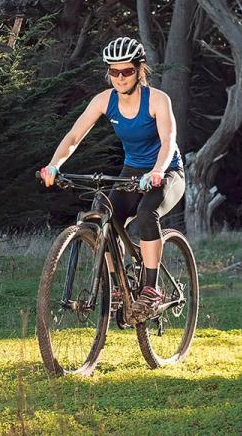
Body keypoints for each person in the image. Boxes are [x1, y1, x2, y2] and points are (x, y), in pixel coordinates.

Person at [40, 36, 185, 322]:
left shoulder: (157, 100)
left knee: (147, 214)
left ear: (139, 70)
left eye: (127, 71)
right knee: (101, 213)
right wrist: (54, 165)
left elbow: (168, 141)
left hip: (166, 171)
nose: (120, 77)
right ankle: (118, 283)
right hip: (131, 172)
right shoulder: (104, 101)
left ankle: (151, 289)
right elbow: (74, 136)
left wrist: (156, 172)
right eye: (114, 72)